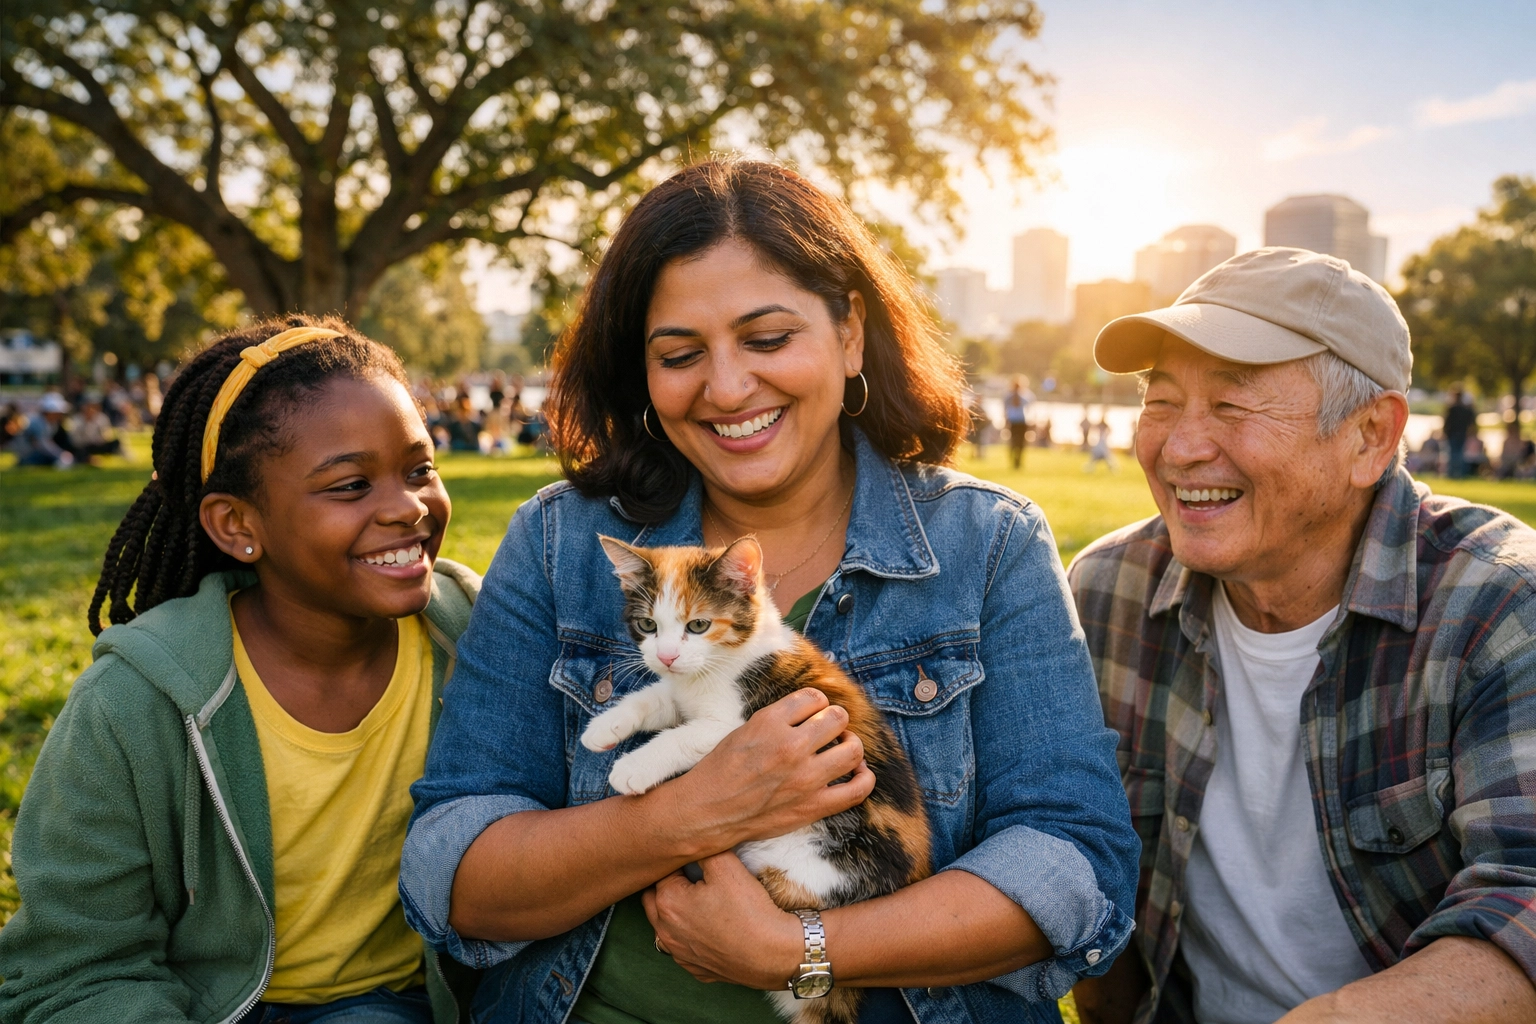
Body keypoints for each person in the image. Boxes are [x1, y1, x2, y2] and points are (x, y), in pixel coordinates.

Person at [399, 160, 1139, 1024]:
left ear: (851, 334)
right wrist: (686, 814)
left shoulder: (987, 545)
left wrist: (800, 953)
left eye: (768, 338)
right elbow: (450, 868)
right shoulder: (561, 542)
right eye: (680, 354)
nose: (727, 387)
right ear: (641, 372)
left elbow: (1075, 863)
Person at [1067, 248, 1536, 1024]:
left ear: (1369, 438)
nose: (1179, 447)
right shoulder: (1108, 591)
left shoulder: (1501, 608)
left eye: (1231, 405)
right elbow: (1086, 874)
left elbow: (1524, 899)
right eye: (1161, 401)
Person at [0, 318, 483, 1023]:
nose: (407, 507)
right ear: (236, 525)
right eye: (351, 486)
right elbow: (72, 969)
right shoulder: (134, 703)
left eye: (420, 470)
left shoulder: (471, 635)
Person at [7, 391, 74, 468]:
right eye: (57, 412)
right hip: (29, 456)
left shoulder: (51, 423)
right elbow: (43, 444)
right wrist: (61, 455)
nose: (60, 414)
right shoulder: (36, 422)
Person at [1442, 386, 1475, 479]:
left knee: (1452, 453)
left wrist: (1445, 432)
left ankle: (1452, 473)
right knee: (1460, 454)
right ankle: (1459, 473)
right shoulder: (1466, 409)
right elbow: (1471, 422)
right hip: (1462, 434)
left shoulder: (1452, 409)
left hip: (1453, 434)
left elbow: (1447, 422)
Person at [1004, 375, 1034, 470]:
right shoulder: (1008, 396)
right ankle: (1013, 460)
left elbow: (1030, 405)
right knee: (1013, 441)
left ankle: (1019, 461)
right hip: (1013, 421)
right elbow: (1005, 408)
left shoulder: (1025, 395)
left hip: (1021, 421)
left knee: (1021, 442)